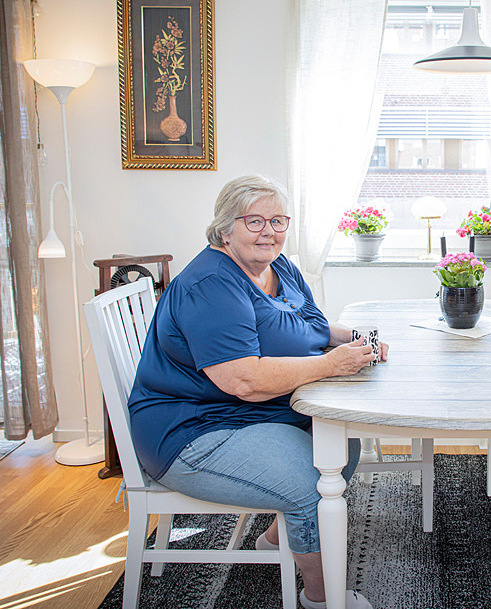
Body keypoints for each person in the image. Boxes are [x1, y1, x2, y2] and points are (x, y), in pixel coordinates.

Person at [129, 174, 384, 609]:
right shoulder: (211, 285)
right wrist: (329, 364)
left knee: (344, 444)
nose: (269, 231)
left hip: (243, 414)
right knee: (311, 484)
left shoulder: (276, 265)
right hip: (193, 431)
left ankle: (273, 540)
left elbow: (313, 326)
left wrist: (359, 339)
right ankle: (321, 599)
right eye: (254, 221)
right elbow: (243, 381)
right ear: (225, 228)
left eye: (278, 220)